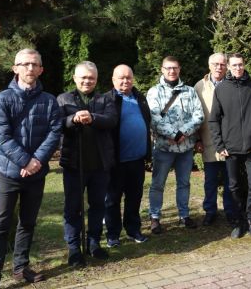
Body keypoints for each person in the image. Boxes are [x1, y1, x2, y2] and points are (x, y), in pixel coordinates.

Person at [0, 49, 62, 289]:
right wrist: (25, 161)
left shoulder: (49, 100)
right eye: (24, 64)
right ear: (15, 68)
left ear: (41, 70)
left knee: (28, 222)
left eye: (34, 64)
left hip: (36, 174)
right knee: (1, 225)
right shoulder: (3, 99)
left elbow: (54, 131)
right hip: (8, 172)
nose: (30, 68)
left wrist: (36, 161)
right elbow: (2, 136)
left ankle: (20, 267)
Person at [58, 61, 117, 267]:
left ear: (96, 79)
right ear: (75, 78)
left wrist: (92, 117)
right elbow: (57, 124)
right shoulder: (64, 99)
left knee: (98, 205)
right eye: (83, 77)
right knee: (73, 207)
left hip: (100, 164)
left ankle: (94, 242)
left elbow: (111, 120)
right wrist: (72, 119)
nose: (87, 81)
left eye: (91, 78)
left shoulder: (105, 99)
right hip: (74, 165)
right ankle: (74, 247)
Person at [208, 53, 251, 239]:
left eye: (240, 64)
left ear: (244, 65)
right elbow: (213, 120)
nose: (238, 68)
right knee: (233, 187)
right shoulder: (221, 89)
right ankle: (238, 222)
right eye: (234, 65)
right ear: (228, 66)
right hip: (230, 149)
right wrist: (219, 146)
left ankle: (250, 220)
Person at [147, 56, 204, 233]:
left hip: (185, 148)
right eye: (168, 68)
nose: (172, 71)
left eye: (175, 68)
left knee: (184, 183)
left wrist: (182, 134)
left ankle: (184, 215)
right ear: (162, 70)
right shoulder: (154, 92)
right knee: (158, 183)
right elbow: (154, 118)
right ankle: (155, 217)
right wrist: (173, 134)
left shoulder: (189, 91)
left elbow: (199, 115)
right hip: (164, 147)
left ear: (179, 69)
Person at [104, 65, 151, 247]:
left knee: (134, 197)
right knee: (112, 199)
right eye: (121, 78)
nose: (125, 81)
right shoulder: (107, 99)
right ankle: (113, 234)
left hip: (137, 160)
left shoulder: (140, 97)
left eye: (128, 78)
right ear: (113, 80)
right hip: (116, 160)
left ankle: (133, 230)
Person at [194, 53, 235, 226]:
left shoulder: (233, 84)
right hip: (208, 141)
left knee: (230, 180)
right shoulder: (199, 86)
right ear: (209, 65)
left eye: (222, 64)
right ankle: (210, 211)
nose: (219, 67)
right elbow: (195, 115)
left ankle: (230, 211)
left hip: (230, 142)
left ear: (226, 66)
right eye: (215, 64)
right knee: (210, 181)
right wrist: (197, 139)